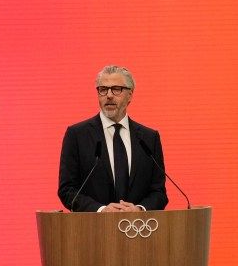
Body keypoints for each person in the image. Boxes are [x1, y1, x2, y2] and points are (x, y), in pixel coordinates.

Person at [58, 65, 167, 212]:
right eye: (103, 89)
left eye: (116, 89)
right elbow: (67, 190)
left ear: (130, 95)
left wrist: (140, 209)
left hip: (138, 225)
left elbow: (159, 192)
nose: (109, 95)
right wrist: (100, 209)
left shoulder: (149, 138)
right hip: (93, 225)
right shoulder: (77, 135)